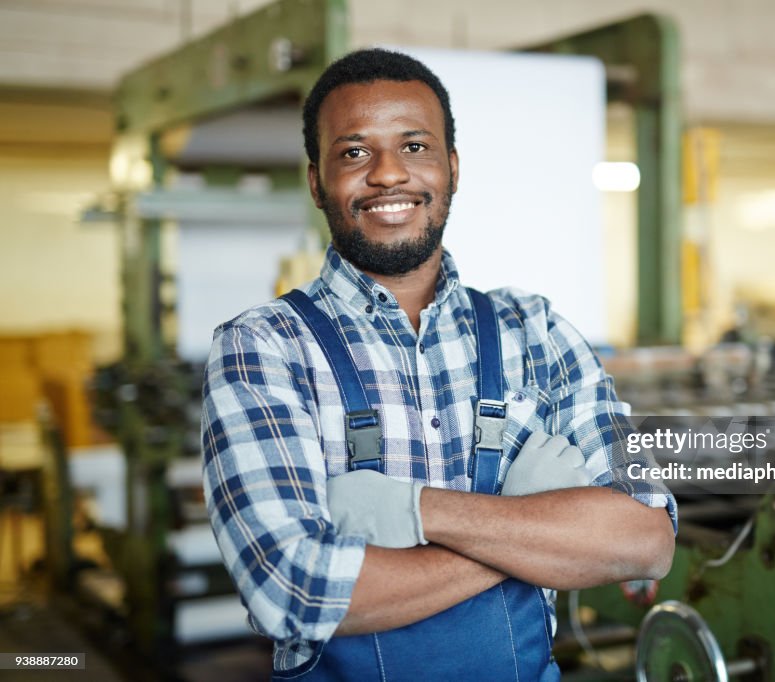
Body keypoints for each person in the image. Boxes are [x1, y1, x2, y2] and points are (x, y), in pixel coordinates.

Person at [201, 48, 677, 681]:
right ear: (316, 181)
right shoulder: (262, 349)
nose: (388, 174)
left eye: (415, 147)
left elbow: (645, 538)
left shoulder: (535, 332)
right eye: (354, 152)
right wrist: (534, 527)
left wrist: (413, 511)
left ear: (452, 169)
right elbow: (294, 590)